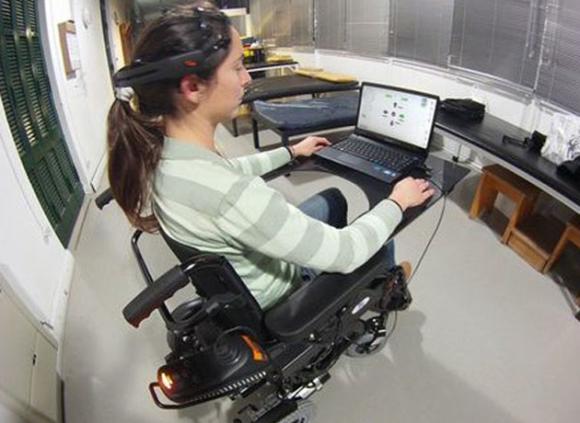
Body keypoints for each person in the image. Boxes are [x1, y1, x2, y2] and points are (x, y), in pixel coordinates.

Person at [107, 2, 434, 310]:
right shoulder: (231, 194)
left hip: (243, 280)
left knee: (333, 200)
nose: (247, 78)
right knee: (382, 234)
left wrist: (291, 152)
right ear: (193, 87)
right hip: (285, 293)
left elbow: (232, 168)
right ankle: (388, 291)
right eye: (237, 67)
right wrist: (397, 202)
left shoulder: (166, 157)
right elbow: (344, 253)